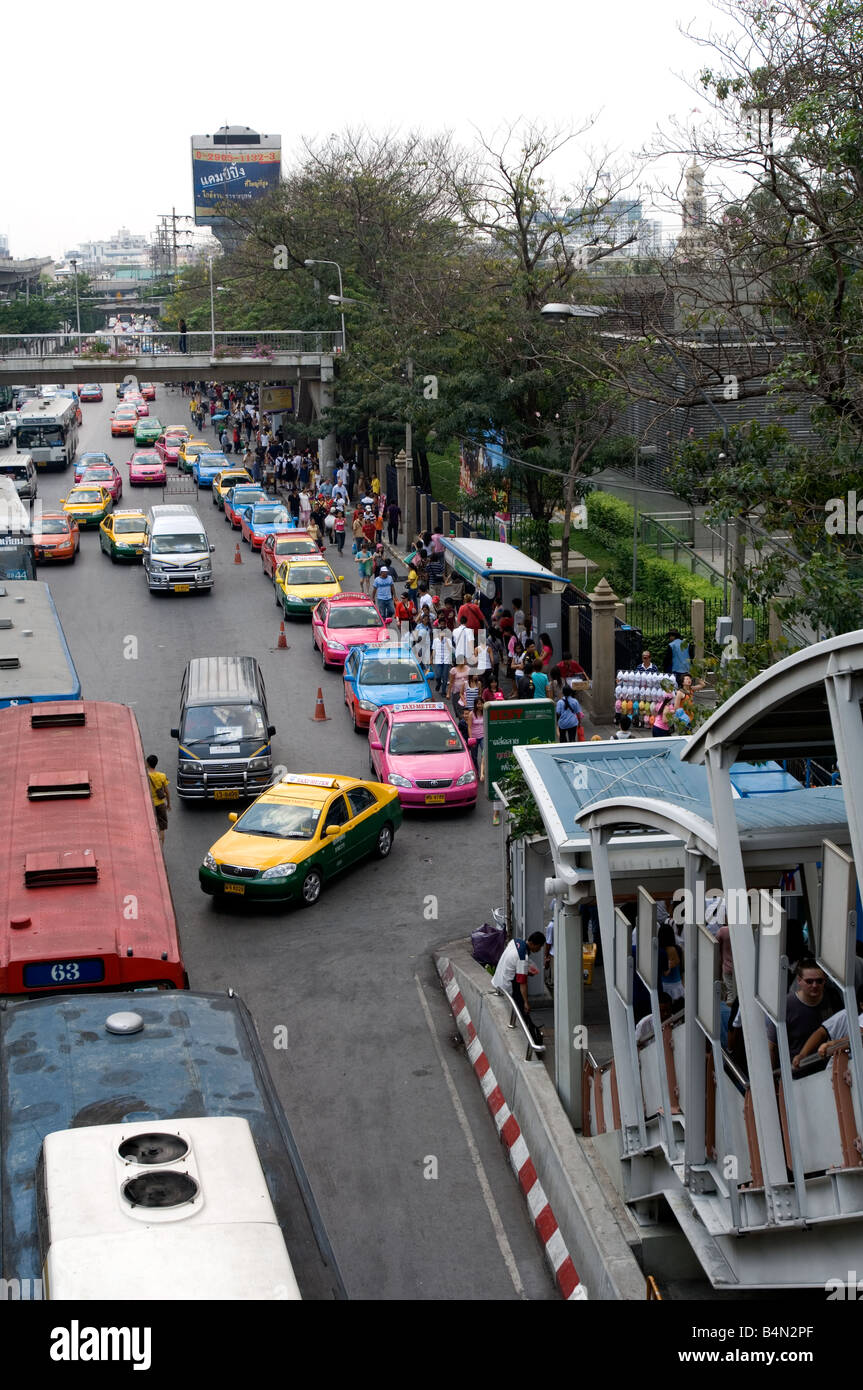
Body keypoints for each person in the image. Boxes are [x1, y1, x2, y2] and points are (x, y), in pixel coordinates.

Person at [767, 958, 841, 1065]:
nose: (815, 985)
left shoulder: (832, 998)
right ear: (799, 981)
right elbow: (772, 1045)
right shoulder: (786, 1005)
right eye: (809, 981)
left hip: (830, 1066)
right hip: (797, 1071)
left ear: (825, 980)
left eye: (819, 981)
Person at [491, 932, 546, 1028]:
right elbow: (523, 983)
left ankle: (529, 1024)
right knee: (522, 1006)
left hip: (498, 977)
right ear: (533, 944)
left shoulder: (515, 941)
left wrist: (525, 971)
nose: (540, 949)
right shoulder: (522, 958)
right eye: (540, 946)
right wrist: (526, 1002)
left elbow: (513, 962)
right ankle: (529, 1028)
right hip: (507, 984)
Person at [146, 754, 171, 847]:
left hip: (150, 805)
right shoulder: (162, 776)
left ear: (147, 763)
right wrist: (168, 804)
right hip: (160, 804)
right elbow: (167, 792)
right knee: (161, 828)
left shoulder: (145, 777)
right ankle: (160, 848)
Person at [432, 621, 453, 694]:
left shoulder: (448, 641)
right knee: (437, 676)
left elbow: (450, 650)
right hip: (438, 660)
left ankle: (443, 691)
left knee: (445, 677)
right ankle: (438, 683)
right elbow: (434, 650)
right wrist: (432, 658)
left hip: (446, 661)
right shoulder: (435, 640)